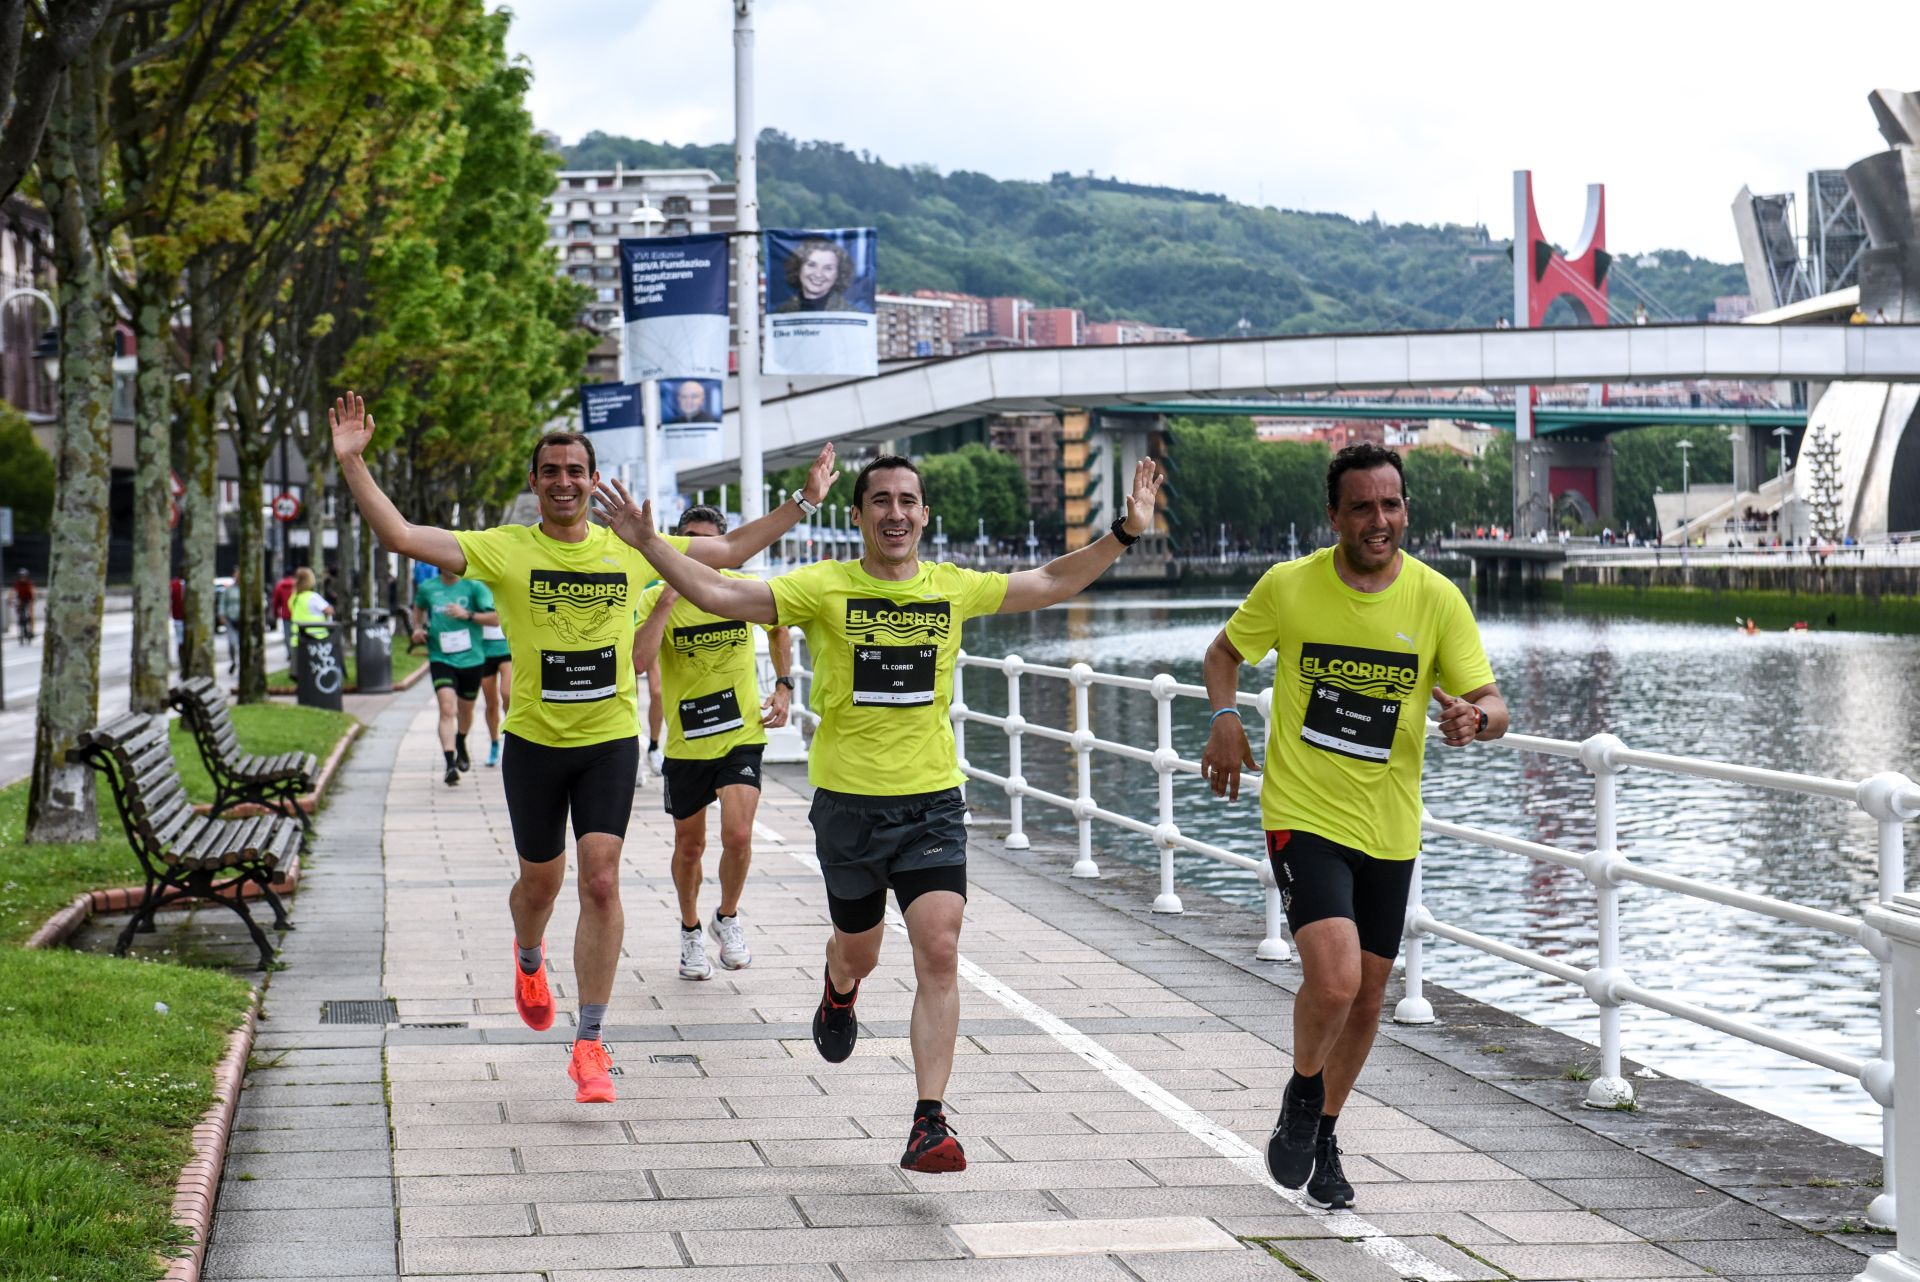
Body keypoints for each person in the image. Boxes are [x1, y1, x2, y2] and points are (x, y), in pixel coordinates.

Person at [592, 451, 1163, 1171]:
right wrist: (648, 546)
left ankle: (930, 1119)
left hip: (931, 802)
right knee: (860, 951)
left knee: (940, 947)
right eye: (881, 501)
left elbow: (1049, 581)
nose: (896, 513)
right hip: (850, 807)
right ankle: (838, 986)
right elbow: (724, 594)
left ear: (925, 515)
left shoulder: (951, 586)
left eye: (908, 501)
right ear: (857, 515)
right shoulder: (823, 586)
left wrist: (1125, 531)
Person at [330, 390, 836, 1105]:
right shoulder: (504, 550)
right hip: (535, 745)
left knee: (601, 880)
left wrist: (803, 504)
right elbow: (403, 537)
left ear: (594, 481)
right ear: (534, 483)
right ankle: (529, 956)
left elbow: (726, 551)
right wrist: (354, 464)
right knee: (541, 885)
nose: (565, 482)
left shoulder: (629, 551)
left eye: (577, 470)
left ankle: (591, 1044)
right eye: (552, 471)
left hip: (607, 744)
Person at [1199, 441, 1508, 1211]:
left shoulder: (1436, 599)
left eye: (1392, 505)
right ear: (1334, 515)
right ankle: (1303, 1095)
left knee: (1369, 999)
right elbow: (1223, 653)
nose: (1380, 520)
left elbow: (1492, 702)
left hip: (1391, 825)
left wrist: (1477, 718)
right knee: (1333, 980)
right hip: (1304, 812)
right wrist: (1226, 718)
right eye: (1363, 507)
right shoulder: (1291, 587)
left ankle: (1326, 1130)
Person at [632, 504, 792, 981]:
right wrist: (665, 601)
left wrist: (784, 685)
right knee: (690, 846)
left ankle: (727, 916)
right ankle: (689, 930)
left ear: (723, 548)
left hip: (740, 734)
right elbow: (639, 662)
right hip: (687, 743)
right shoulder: (654, 596)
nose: (699, 550)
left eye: (708, 541)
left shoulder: (738, 592)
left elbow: (780, 625)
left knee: (739, 835)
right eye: (689, 540)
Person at [412, 565, 489, 785]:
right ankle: (449, 764)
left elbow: (495, 618)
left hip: (472, 659)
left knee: (466, 710)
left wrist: (468, 614)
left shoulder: (474, 586)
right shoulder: (428, 588)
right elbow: (417, 610)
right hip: (441, 658)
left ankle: (461, 739)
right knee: (447, 708)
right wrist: (417, 628)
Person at [472, 580, 512, 767]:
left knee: (507, 694)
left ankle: (511, 735)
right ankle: (494, 743)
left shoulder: (506, 579)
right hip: (484, 650)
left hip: (506, 648)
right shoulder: (475, 586)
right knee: (491, 704)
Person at [772, 238, 852, 313]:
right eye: (811, 265)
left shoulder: (850, 313)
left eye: (828, 268)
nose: (818, 274)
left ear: (839, 274)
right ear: (798, 267)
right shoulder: (781, 312)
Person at [270, 569, 297, 661]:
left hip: (286, 615)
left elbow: (276, 602)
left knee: (287, 635)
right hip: (297, 614)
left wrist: (275, 613)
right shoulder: (297, 585)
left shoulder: (279, 586)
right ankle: (296, 653)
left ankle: (290, 653)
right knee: (296, 634)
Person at [12, 568, 34, 643]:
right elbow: (12, 592)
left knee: (30, 614)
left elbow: (33, 592)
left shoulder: (29, 583)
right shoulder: (17, 584)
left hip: (28, 600)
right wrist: (10, 600)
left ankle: (31, 630)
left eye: (24, 576)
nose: (23, 578)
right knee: (19, 614)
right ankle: (20, 630)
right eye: (21, 576)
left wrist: (32, 600)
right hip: (20, 600)